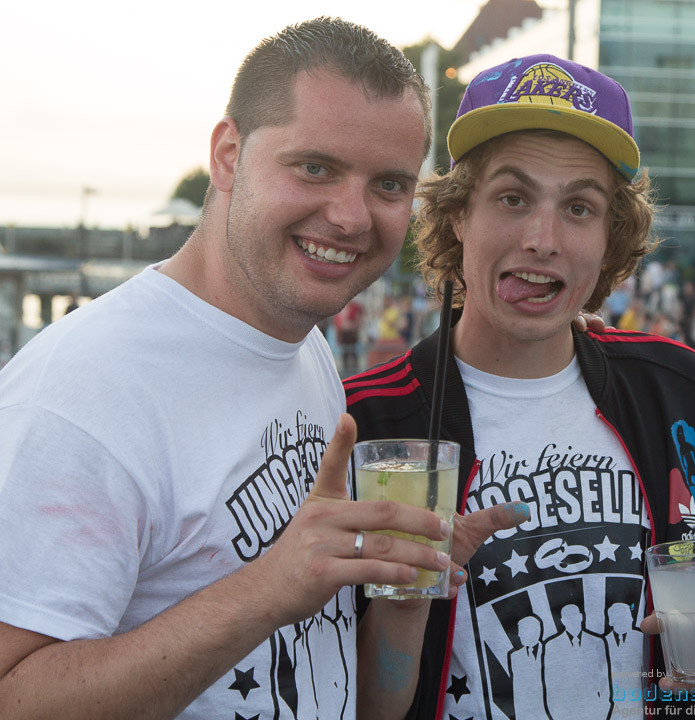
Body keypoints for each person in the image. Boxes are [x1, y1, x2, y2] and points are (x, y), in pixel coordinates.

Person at [0, 18, 523, 720]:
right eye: (315, 167)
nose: (350, 216)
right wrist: (265, 590)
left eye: (389, 184)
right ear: (227, 155)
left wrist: (408, 587)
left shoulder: (304, 346)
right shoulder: (81, 394)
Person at [344, 53, 695, 719]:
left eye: (579, 207)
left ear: (609, 237)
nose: (542, 239)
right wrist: (409, 595)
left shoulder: (679, 392)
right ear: (459, 216)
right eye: (512, 198)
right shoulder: (367, 422)